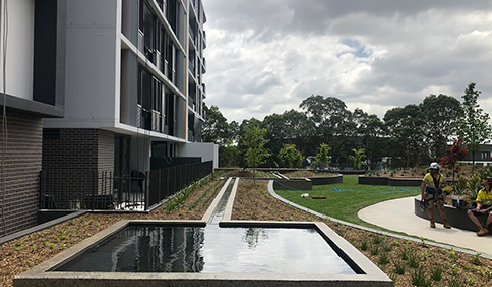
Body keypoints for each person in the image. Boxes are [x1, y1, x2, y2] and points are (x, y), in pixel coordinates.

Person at [421, 162, 451, 229]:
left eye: (433, 169)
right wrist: (423, 194)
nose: (432, 171)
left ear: (437, 170)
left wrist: (443, 187)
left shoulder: (441, 176)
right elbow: (423, 185)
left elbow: (444, 184)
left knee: (441, 208)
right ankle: (432, 221)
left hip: (438, 194)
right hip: (430, 194)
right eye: (431, 169)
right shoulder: (427, 176)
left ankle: (445, 222)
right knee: (430, 208)